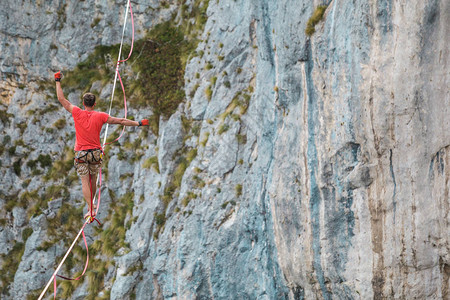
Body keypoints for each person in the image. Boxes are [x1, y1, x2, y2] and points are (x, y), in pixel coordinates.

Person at [54, 71, 148, 218]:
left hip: (81, 153)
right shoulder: (101, 116)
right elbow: (122, 121)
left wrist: (58, 80)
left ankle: (90, 209)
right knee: (93, 180)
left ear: (83, 103)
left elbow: (61, 99)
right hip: (95, 153)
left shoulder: (77, 112)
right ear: (95, 104)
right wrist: (139, 123)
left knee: (85, 181)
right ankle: (92, 206)